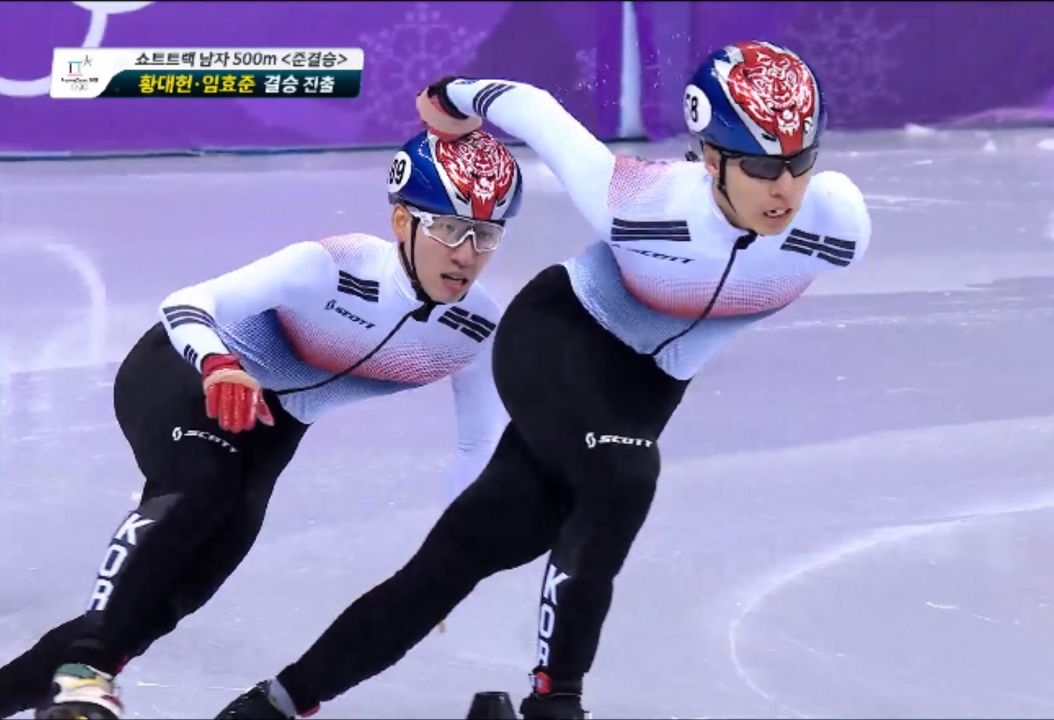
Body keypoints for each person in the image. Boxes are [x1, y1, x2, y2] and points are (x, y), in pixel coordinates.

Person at [214, 39, 872, 720]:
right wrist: (452, 101)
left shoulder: (838, 222)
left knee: (463, 554)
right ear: (711, 158)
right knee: (622, 477)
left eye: (800, 162)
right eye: (764, 165)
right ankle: (557, 703)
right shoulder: (639, 201)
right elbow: (535, 111)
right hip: (559, 339)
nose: (785, 187)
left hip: (642, 396)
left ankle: (278, 701)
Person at [0, 127, 526, 720]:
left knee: (173, 596)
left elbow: (480, 442)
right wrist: (221, 365)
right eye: (450, 229)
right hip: (188, 372)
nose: (467, 254)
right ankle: (85, 674)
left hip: (271, 431)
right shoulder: (330, 265)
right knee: (204, 484)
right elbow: (185, 305)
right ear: (403, 221)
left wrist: (454, 551)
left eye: (487, 235)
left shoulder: (477, 330)